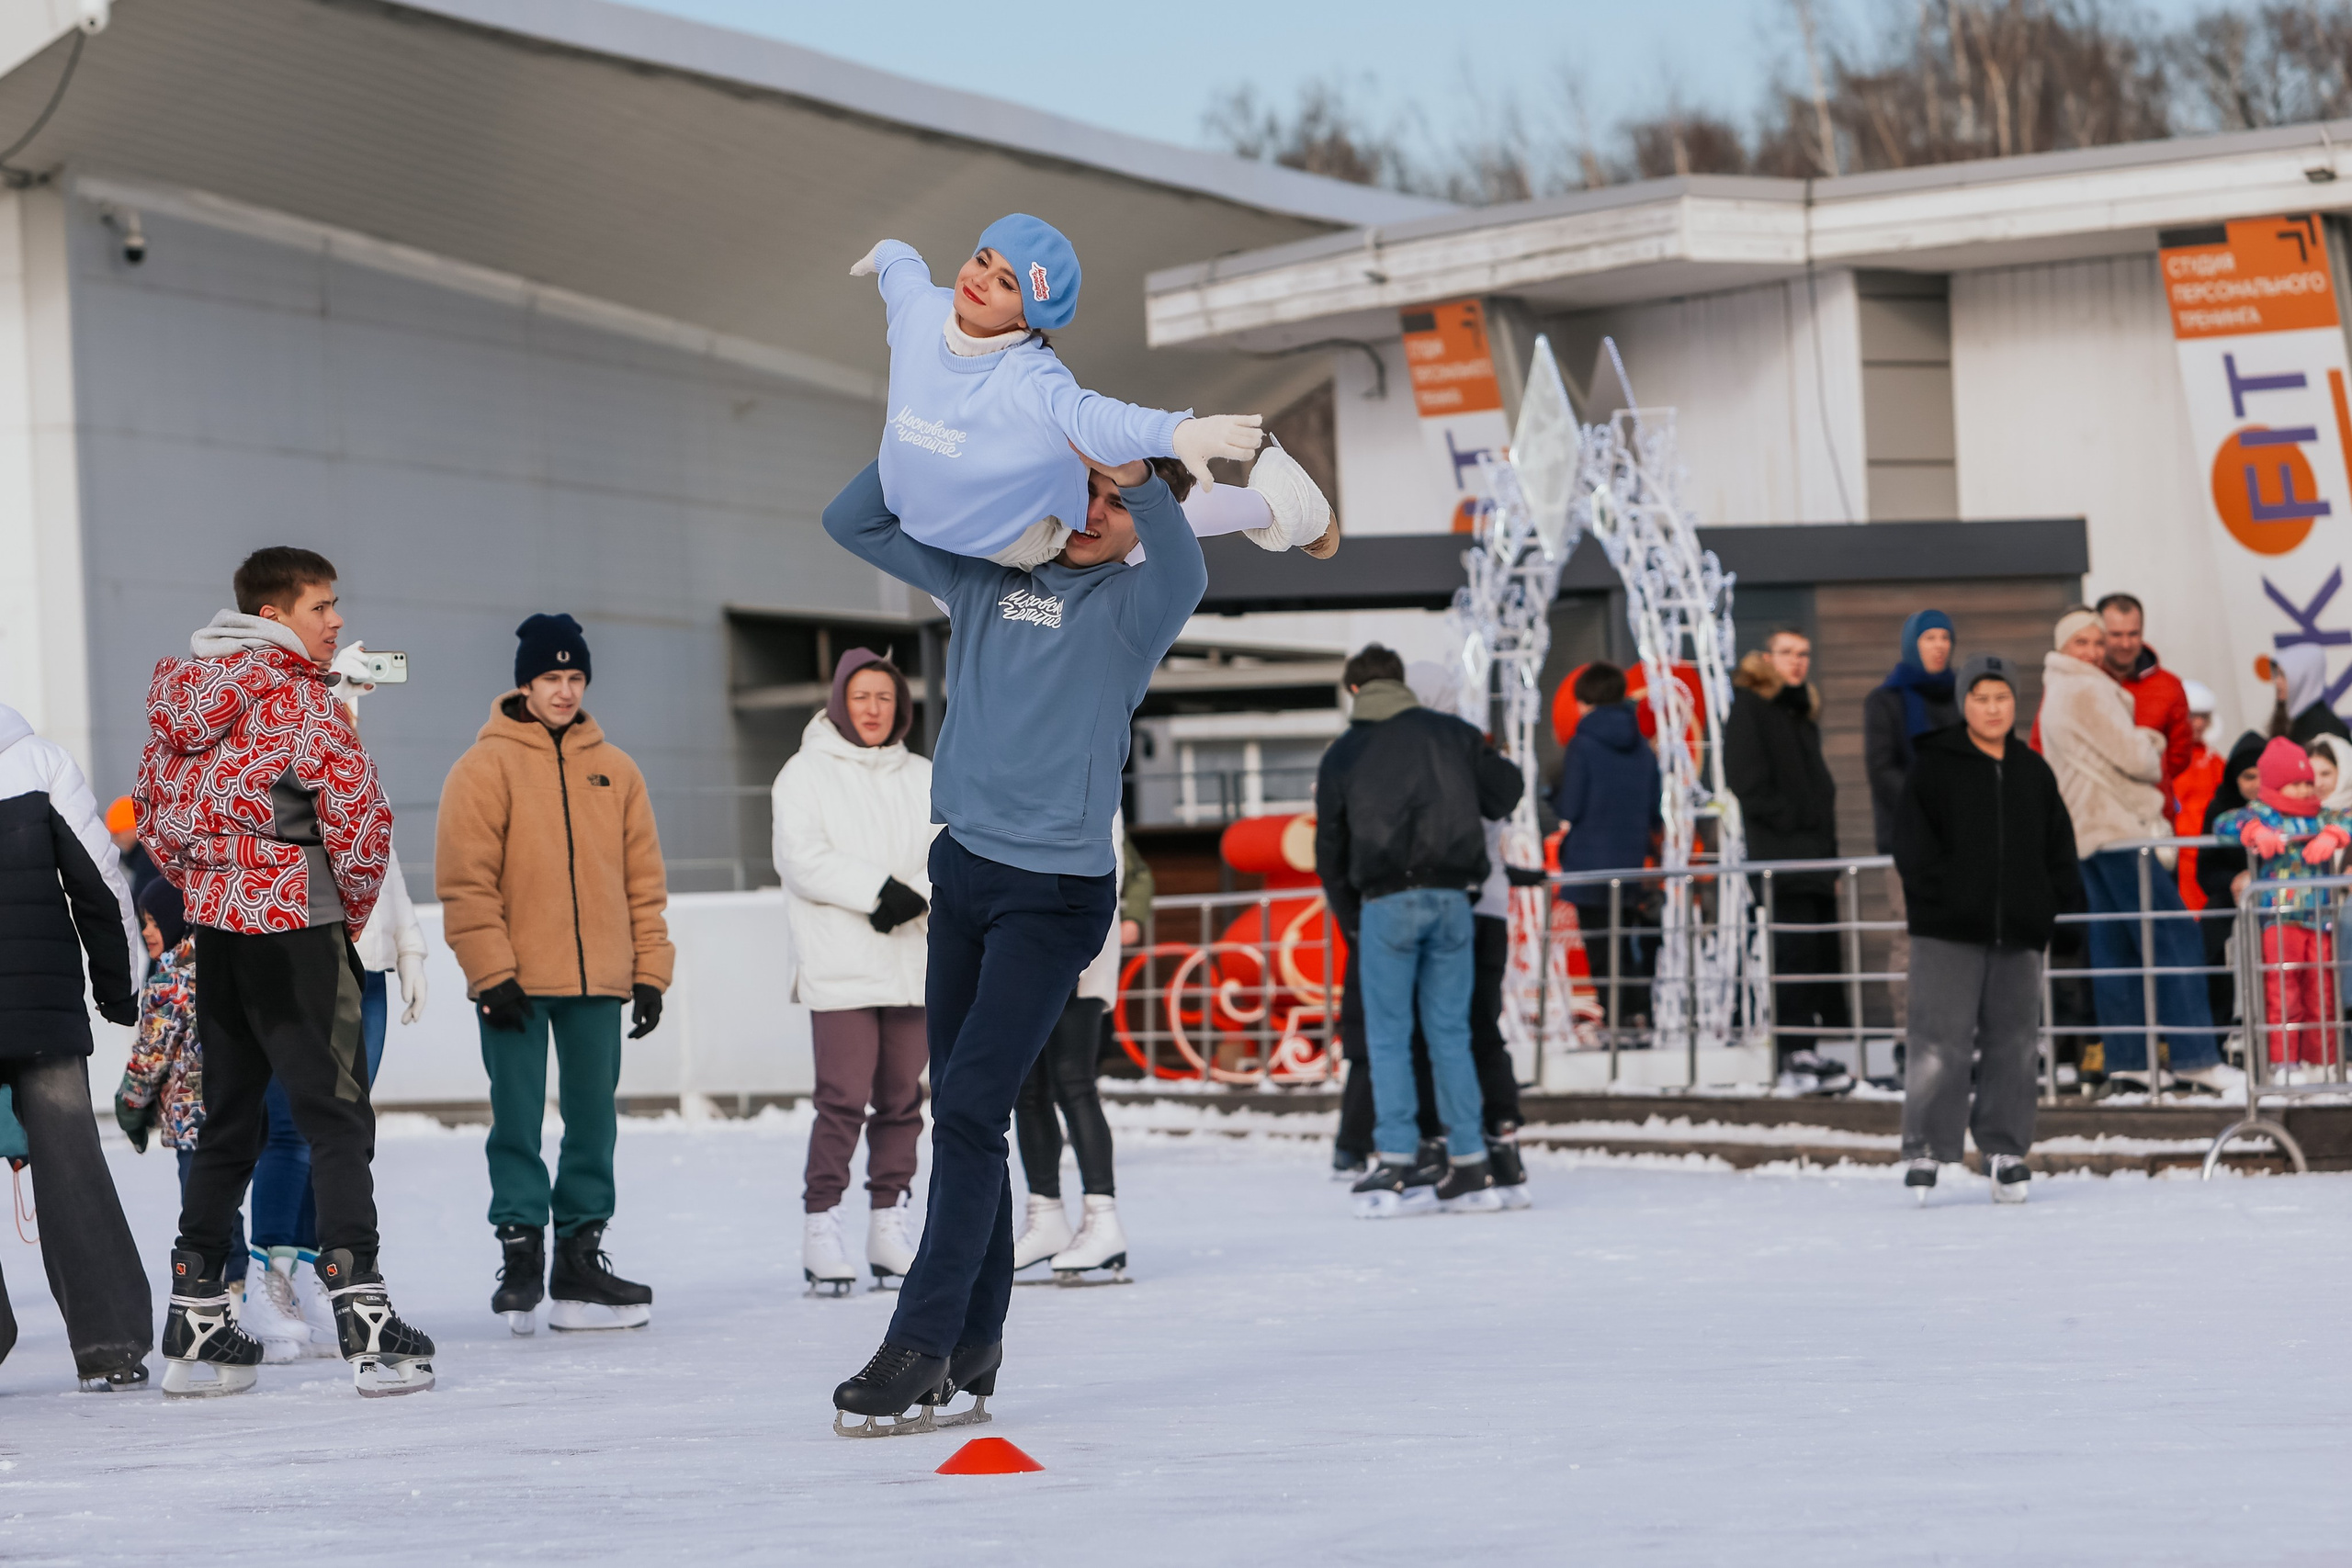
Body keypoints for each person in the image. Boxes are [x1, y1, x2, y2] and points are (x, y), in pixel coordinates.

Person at [818, 444, 1204, 1434]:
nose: (1090, 509)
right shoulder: (990, 576)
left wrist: (1141, 476)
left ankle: (921, 1339)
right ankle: (977, 1342)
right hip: (967, 872)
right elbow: (854, 521)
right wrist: (930, 424)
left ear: (1139, 515)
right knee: (967, 1112)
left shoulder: (1135, 606)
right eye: (1082, 487)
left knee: (977, 1102)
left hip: (1057, 894)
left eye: (1112, 501)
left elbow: (1186, 562)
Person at [137, 550, 431, 1397]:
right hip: (299, 922)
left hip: (220, 928)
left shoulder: (181, 695)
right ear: (274, 613)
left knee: (230, 1121)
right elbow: (362, 822)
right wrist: (344, 905)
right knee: (335, 1115)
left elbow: (153, 812)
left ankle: (196, 1318)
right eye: (322, 606)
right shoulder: (302, 700)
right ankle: (366, 1318)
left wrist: (214, 884)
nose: (336, 621)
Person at [436, 612, 673, 1335]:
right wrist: (491, 971)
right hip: (515, 982)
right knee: (515, 1119)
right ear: (525, 684)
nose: (565, 691)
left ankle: (579, 1254)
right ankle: (520, 1251)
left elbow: (643, 882)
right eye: (552, 678)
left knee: (593, 1121)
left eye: (575, 678)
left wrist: (651, 972)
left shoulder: (618, 770)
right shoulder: (485, 768)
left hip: (600, 978)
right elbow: (465, 881)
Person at [850, 218, 1283, 568]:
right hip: (933, 523)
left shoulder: (1033, 380)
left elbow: (1096, 418)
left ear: (1025, 320)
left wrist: (1179, 432)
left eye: (1007, 284)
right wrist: (887, 252)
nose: (981, 280)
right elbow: (903, 269)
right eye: (983, 260)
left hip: (1015, 541)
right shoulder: (921, 311)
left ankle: (1267, 507)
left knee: (1119, 510)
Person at [1314, 644, 1524, 1218]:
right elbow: (1506, 790)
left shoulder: (1346, 752)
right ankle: (1471, 1163)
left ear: (1356, 692)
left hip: (1385, 900)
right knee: (1451, 1033)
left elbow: (1328, 849)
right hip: (1456, 899)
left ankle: (1399, 1161)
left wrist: (1351, 917)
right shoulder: (1449, 733)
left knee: (1388, 1037)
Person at [772, 647, 937, 1297]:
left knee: (903, 1098)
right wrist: (878, 890)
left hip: (913, 956)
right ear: (841, 700)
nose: (873, 709)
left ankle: (887, 1223)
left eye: (886, 698)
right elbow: (801, 856)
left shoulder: (924, 774)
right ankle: (822, 1225)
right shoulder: (804, 773)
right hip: (840, 960)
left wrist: (916, 893)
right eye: (862, 697)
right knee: (842, 1099)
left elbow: (954, 839)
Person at [0, 700, 151, 1391]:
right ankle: (110, 1341)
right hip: (42, 1013)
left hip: (41, 1007)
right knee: (71, 1170)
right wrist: (119, 991)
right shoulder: (40, 762)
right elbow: (101, 884)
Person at [1893, 655, 2082, 1205]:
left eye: (2001, 698)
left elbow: (2058, 848)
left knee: (2015, 1045)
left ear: (2014, 703)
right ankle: (1925, 1147)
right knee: (1938, 1042)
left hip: (2018, 932)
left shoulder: (2032, 770)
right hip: (1947, 930)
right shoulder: (1934, 765)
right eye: (1980, 698)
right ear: (1963, 703)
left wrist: (2047, 905)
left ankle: (2004, 1149)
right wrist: (1940, 897)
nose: (1992, 708)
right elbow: (1912, 845)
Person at [2036, 605, 2234, 1093]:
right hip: (2120, 830)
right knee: (2174, 937)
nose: (2093, 651)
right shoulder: (2085, 687)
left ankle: (2128, 1060)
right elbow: (2140, 759)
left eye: (2096, 642)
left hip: (2090, 833)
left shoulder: (2056, 691)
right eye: (2081, 642)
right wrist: (2150, 738)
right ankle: (2194, 1056)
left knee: (2116, 949)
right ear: (2064, 648)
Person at [1725, 627, 1853, 1092]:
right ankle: (1792, 1052)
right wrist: (1794, 820)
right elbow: (1748, 783)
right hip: (1781, 858)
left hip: (1815, 861)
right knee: (1792, 955)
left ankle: (1809, 1049)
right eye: (1787, 653)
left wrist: (1830, 859)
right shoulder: (1750, 709)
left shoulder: (1802, 715)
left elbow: (1822, 793)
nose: (1797, 662)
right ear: (1766, 657)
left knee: (1816, 956)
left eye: (1804, 654)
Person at [1010, 810, 1136, 1278]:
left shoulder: (1085, 762)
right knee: (1028, 1087)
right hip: (1024, 950)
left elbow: (1108, 859)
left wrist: (1073, 939)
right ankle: (1046, 1216)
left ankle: (1104, 1220)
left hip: (1079, 943)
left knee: (1073, 1081)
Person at [2213, 739, 2349, 1077]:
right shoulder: (2262, 813)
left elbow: (2347, 818)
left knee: (2322, 994)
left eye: (2308, 783)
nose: (2305, 790)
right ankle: (2285, 1062)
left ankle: (2324, 1062)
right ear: (2274, 785)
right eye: (2296, 783)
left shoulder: (2322, 815)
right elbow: (2223, 824)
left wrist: (2334, 835)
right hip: (2278, 920)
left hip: (2319, 921)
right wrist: (2254, 830)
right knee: (2282, 995)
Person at [1553, 660, 1664, 1041]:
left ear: (1586, 700)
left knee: (1601, 947)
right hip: (1633, 863)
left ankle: (1614, 1023)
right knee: (1630, 944)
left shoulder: (1582, 744)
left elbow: (1571, 807)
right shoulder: (1643, 746)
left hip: (1590, 864)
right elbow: (1654, 809)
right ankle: (1640, 1017)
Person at [2194, 730, 2269, 1039]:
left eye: (2262, 776)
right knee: (2213, 943)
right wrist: (2235, 881)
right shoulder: (2219, 809)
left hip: (2273, 899)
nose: (2256, 785)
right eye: (2248, 776)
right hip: (2229, 902)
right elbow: (2205, 870)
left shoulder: (2282, 811)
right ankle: (2220, 1032)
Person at [2173, 680, 2225, 910]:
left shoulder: (2215, 761)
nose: (2200, 723)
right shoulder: (2171, 759)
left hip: (2209, 850)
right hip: (2180, 852)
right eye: (2193, 716)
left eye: (2204, 716)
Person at [2268, 643, 2350, 746]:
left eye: (2283, 675)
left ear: (2304, 677)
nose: (2277, 682)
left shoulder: (2325, 729)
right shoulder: (2292, 720)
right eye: (2276, 674)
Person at [104, 795, 164, 908]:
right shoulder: (154, 850)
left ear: (132, 828)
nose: (116, 841)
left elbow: (141, 902)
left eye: (117, 834)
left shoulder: (148, 859)